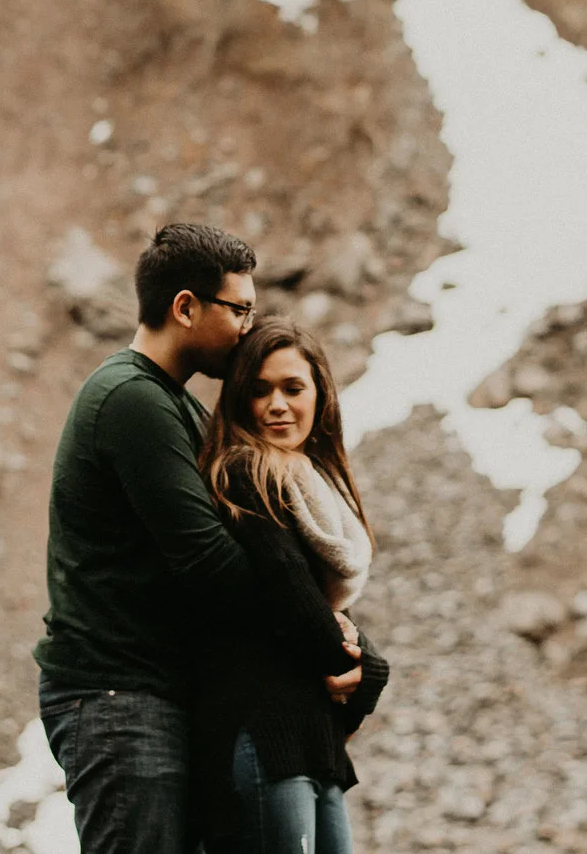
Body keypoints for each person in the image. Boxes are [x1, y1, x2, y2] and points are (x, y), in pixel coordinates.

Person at [35, 224, 365, 854]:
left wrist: (344, 643)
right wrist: (329, 640)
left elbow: (263, 559)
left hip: (159, 693)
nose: (247, 327)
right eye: (239, 309)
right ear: (185, 307)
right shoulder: (132, 399)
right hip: (118, 696)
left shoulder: (178, 406)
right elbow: (213, 563)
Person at [192, 318, 390, 854]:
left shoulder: (314, 483)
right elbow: (293, 593)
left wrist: (362, 669)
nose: (276, 405)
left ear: (319, 396)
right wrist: (370, 673)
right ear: (239, 399)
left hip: (312, 737)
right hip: (264, 731)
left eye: (292, 388)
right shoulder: (243, 474)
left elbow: (316, 608)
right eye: (259, 390)